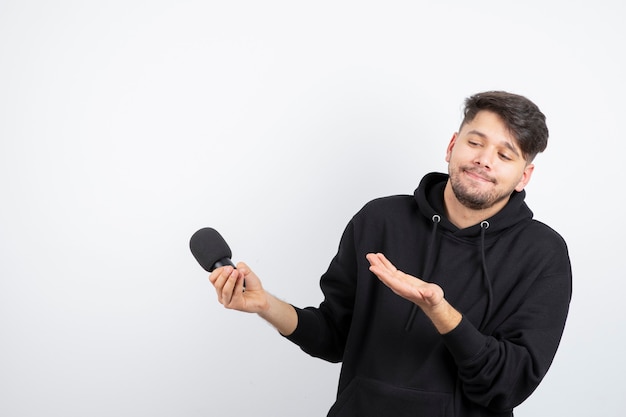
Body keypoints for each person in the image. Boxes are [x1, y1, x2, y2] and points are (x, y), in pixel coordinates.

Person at [208, 91, 572, 417]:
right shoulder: (379, 221)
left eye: (504, 155)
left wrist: (440, 312)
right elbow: (334, 336)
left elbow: (507, 385)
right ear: (451, 146)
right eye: (475, 143)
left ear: (524, 176)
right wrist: (265, 305)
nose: (484, 160)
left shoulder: (542, 254)